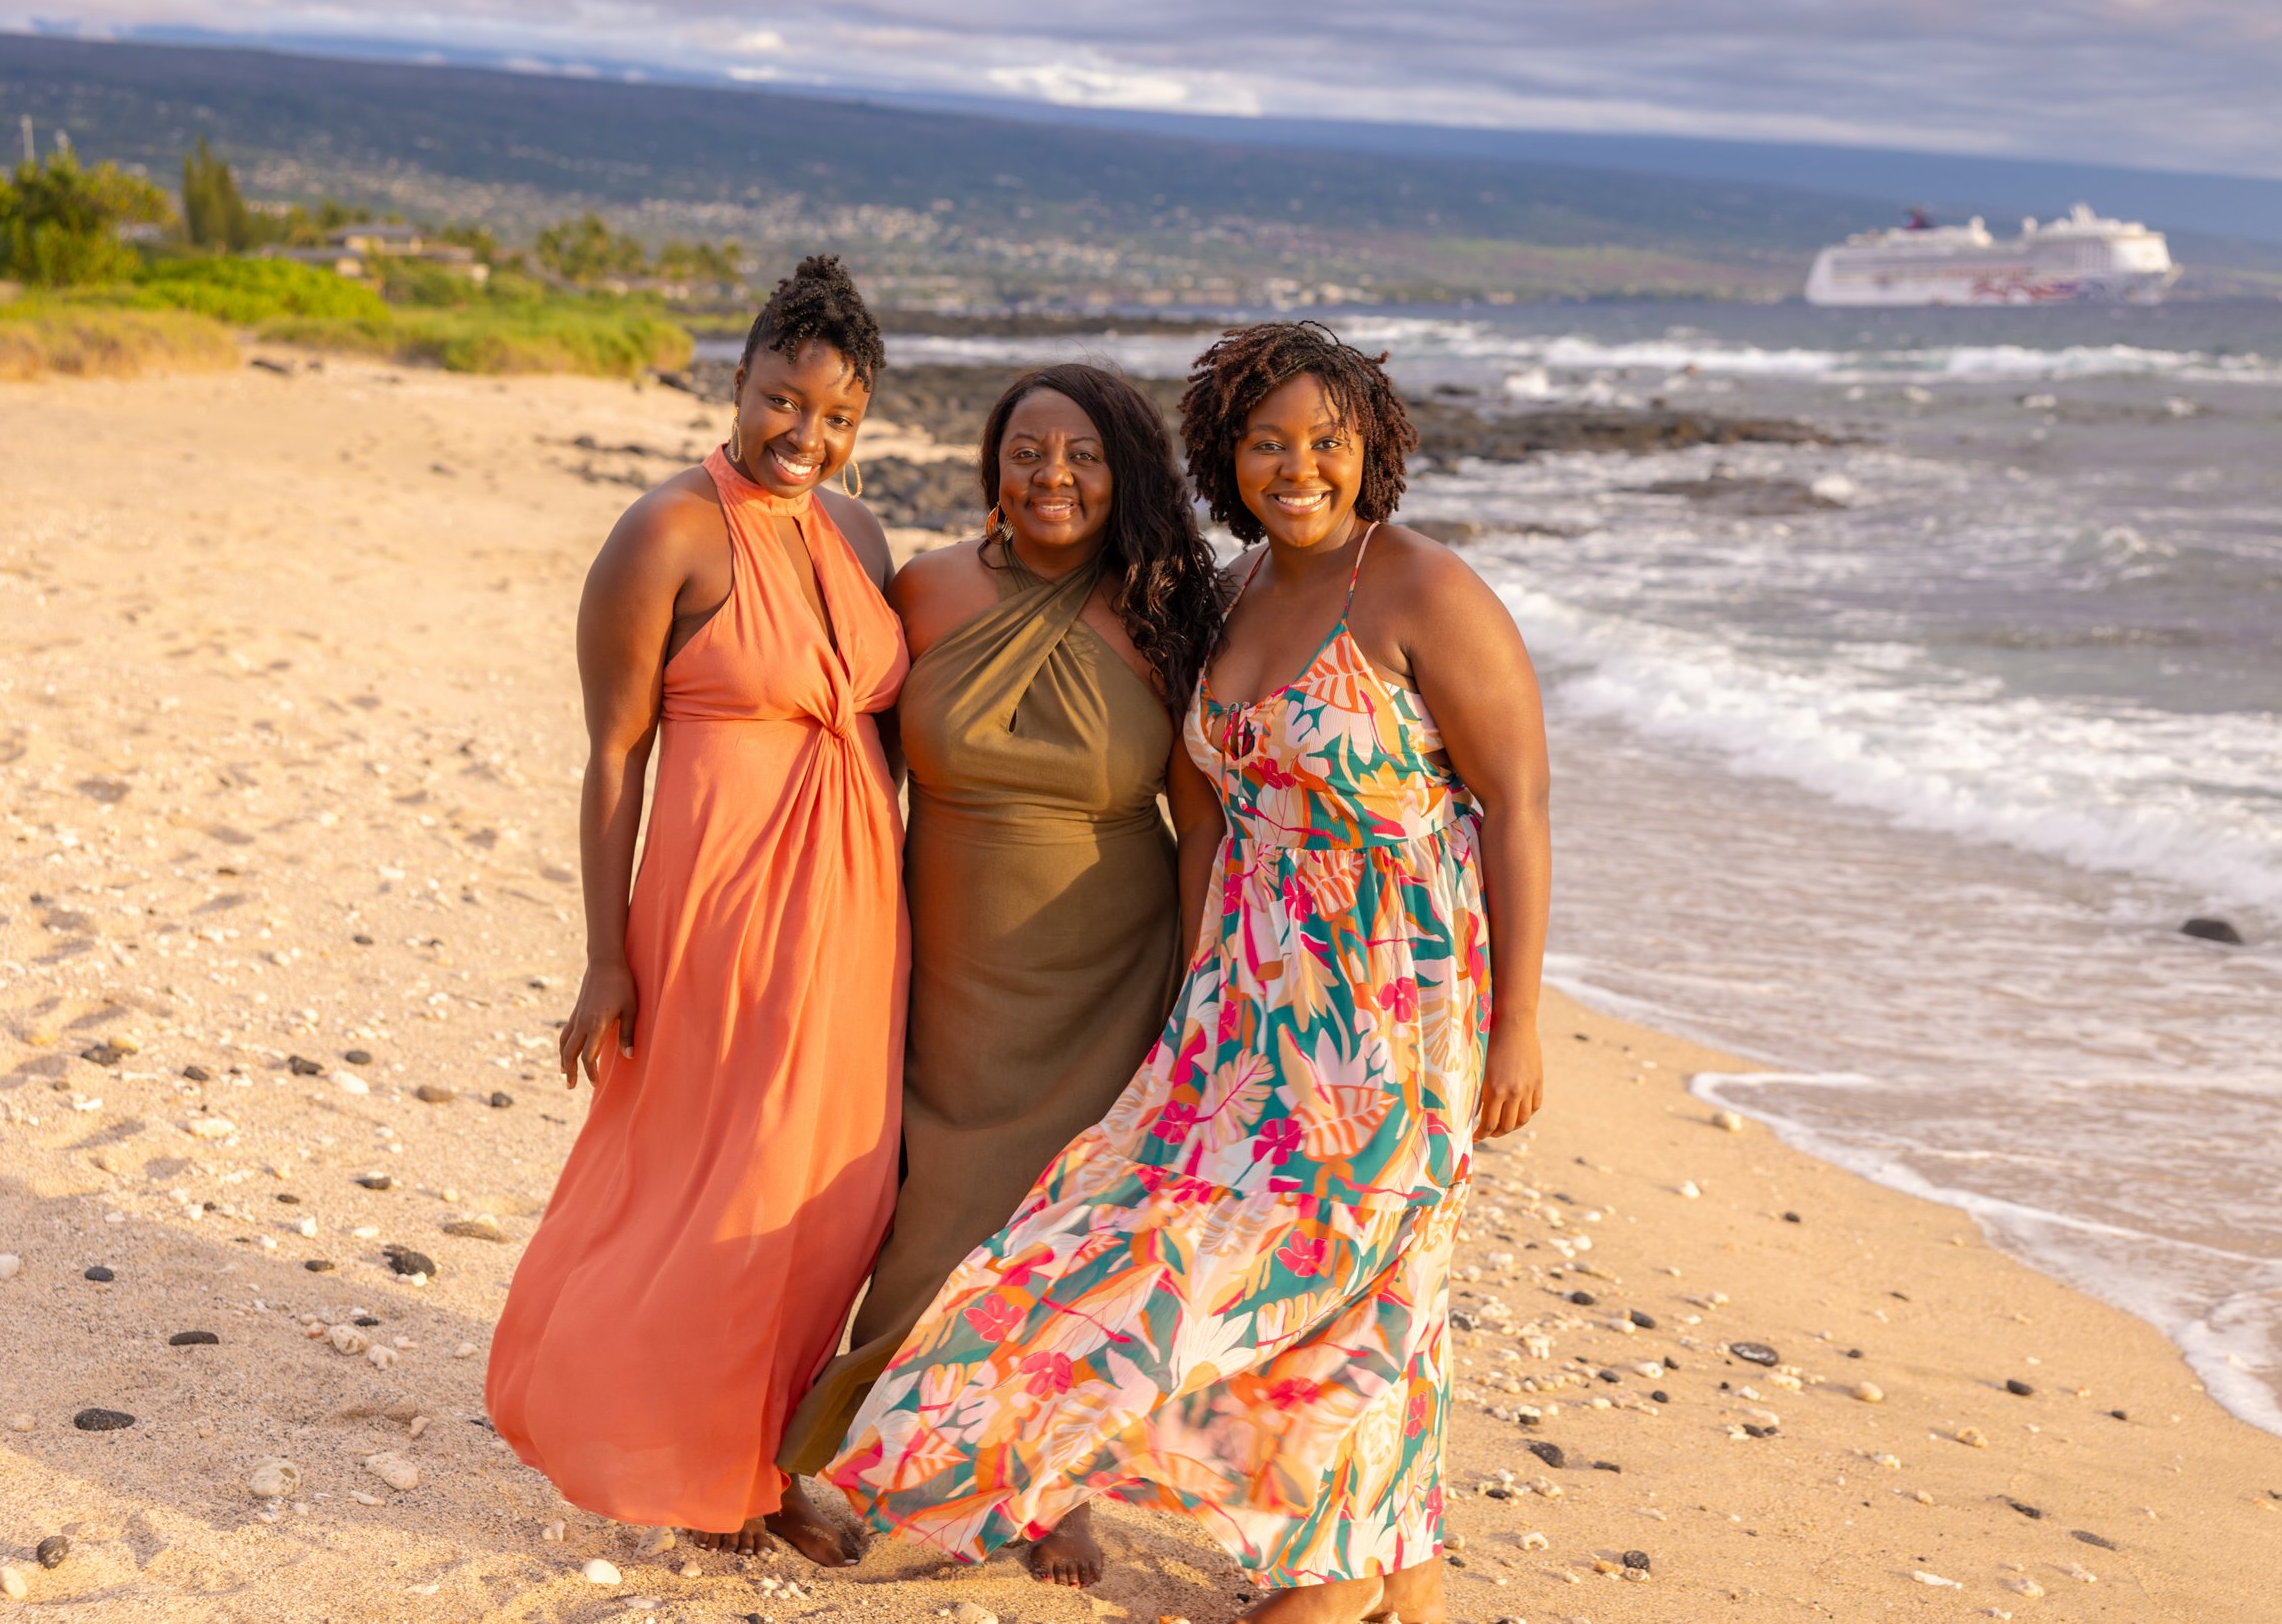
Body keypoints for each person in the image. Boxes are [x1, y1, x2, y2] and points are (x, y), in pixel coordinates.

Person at [827, 320, 1551, 1624]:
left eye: (1326, 440)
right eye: (1266, 441)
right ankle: (1401, 1562)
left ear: (1370, 447)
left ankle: (1331, 1578)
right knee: (1188, 1241)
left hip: (1394, 1003)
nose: (1298, 465)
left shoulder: (1429, 592)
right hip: (1247, 997)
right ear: (1224, 456)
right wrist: (1196, 980)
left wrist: (1520, 1030)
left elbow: (1521, 803)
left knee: (1336, 1266)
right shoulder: (1229, 592)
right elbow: (1203, 807)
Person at [486, 255, 907, 1566]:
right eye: (786, 401)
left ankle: (765, 1455)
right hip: (722, 913)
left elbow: (889, 743)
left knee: (833, 1205)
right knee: (723, 1188)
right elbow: (614, 757)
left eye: (838, 417)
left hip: (857, 921)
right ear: (738, 382)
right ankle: (691, 1455)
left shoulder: (862, 535)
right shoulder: (665, 532)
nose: (808, 436)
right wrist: (605, 958)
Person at [780, 363, 1229, 1587]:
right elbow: (849, 767)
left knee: (1069, 1231)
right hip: (940, 960)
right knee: (917, 1216)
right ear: (993, 468)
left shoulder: (1159, 613)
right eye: (1027, 452)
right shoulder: (926, 590)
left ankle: (1052, 1494)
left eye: (1081, 455)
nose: (1053, 477)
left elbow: (1199, 820)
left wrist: (1199, 989)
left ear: (1123, 470)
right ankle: (843, 1439)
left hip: (1108, 964)